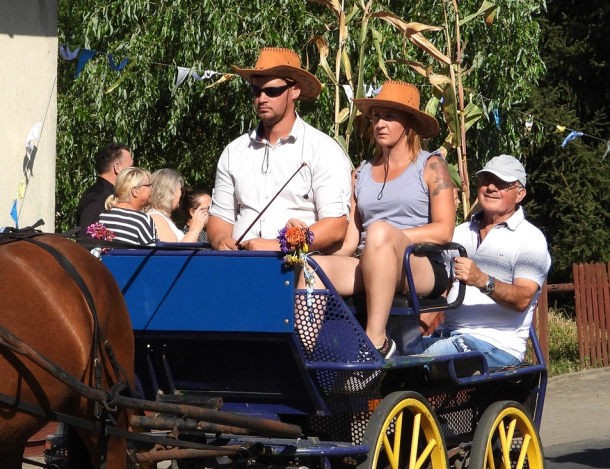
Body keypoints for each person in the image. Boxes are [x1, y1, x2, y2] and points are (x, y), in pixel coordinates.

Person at [309, 80, 456, 357]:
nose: (380, 123)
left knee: (377, 233)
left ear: (409, 123)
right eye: (376, 116)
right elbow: (352, 241)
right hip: (370, 261)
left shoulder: (431, 165)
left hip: (421, 264)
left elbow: (444, 232)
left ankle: (376, 342)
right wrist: (308, 246)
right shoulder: (361, 173)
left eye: (389, 117)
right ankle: (311, 355)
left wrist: (387, 239)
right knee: (312, 268)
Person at [207, 47, 352, 253]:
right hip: (238, 264)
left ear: (295, 90)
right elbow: (221, 216)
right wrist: (221, 240)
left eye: (272, 91)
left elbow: (335, 226)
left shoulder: (323, 149)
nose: (262, 98)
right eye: (256, 91)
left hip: (296, 268)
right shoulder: (234, 151)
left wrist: (279, 245)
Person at [423, 155, 551, 368]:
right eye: (485, 181)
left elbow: (523, 299)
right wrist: (411, 334)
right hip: (447, 335)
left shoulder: (531, 238)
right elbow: (441, 293)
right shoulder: (458, 233)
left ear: (520, 194)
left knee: (429, 358)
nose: (491, 187)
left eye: (501, 183)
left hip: (498, 345)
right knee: (400, 355)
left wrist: (481, 280)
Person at [76, 143, 133, 239]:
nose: (133, 173)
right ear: (117, 167)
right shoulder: (98, 197)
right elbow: (86, 239)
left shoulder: (104, 194)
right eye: (130, 168)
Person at [96, 166, 158, 246]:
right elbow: (152, 254)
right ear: (135, 191)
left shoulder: (103, 215)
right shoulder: (141, 220)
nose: (151, 190)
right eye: (148, 186)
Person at [146, 169, 209, 243]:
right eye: (179, 189)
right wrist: (195, 229)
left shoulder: (162, 217)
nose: (180, 194)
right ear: (169, 192)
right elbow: (176, 253)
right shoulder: (156, 218)